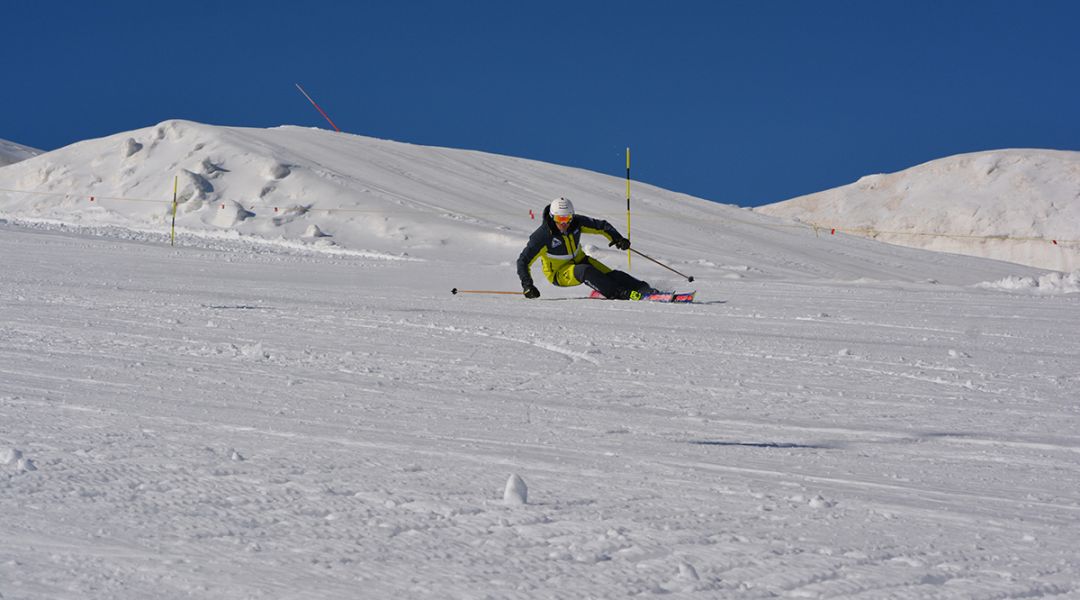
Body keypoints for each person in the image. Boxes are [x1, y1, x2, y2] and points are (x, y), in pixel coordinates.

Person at [517, 197, 658, 300]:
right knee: (585, 271)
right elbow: (523, 261)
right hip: (559, 273)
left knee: (611, 275)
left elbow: (601, 226)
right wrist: (527, 285)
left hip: (580, 260)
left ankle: (644, 288)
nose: (564, 223)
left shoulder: (576, 223)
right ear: (552, 217)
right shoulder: (542, 237)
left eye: (567, 218)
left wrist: (618, 238)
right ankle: (620, 293)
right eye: (560, 219)